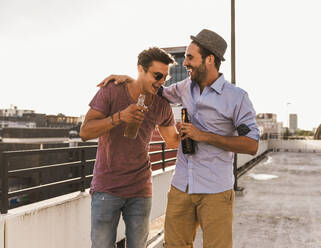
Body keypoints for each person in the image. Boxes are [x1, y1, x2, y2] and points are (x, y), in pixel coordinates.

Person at [100, 29, 259, 248]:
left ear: (210, 59)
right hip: (181, 187)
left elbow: (251, 144)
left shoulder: (237, 98)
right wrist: (131, 79)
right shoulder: (185, 87)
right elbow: (157, 90)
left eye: (191, 57)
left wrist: (202, 135)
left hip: (216, 190)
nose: (185, 63)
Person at [80, 47, 180, 248]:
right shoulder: (111, 91)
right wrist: (120, 117)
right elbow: (85, 132)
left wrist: (192, 131)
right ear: (140, 69)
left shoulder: (161, 105)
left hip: (140, 189)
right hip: (107, 188)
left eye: (165, 78)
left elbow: (172, 141)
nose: (161, 82)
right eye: (157, 75)